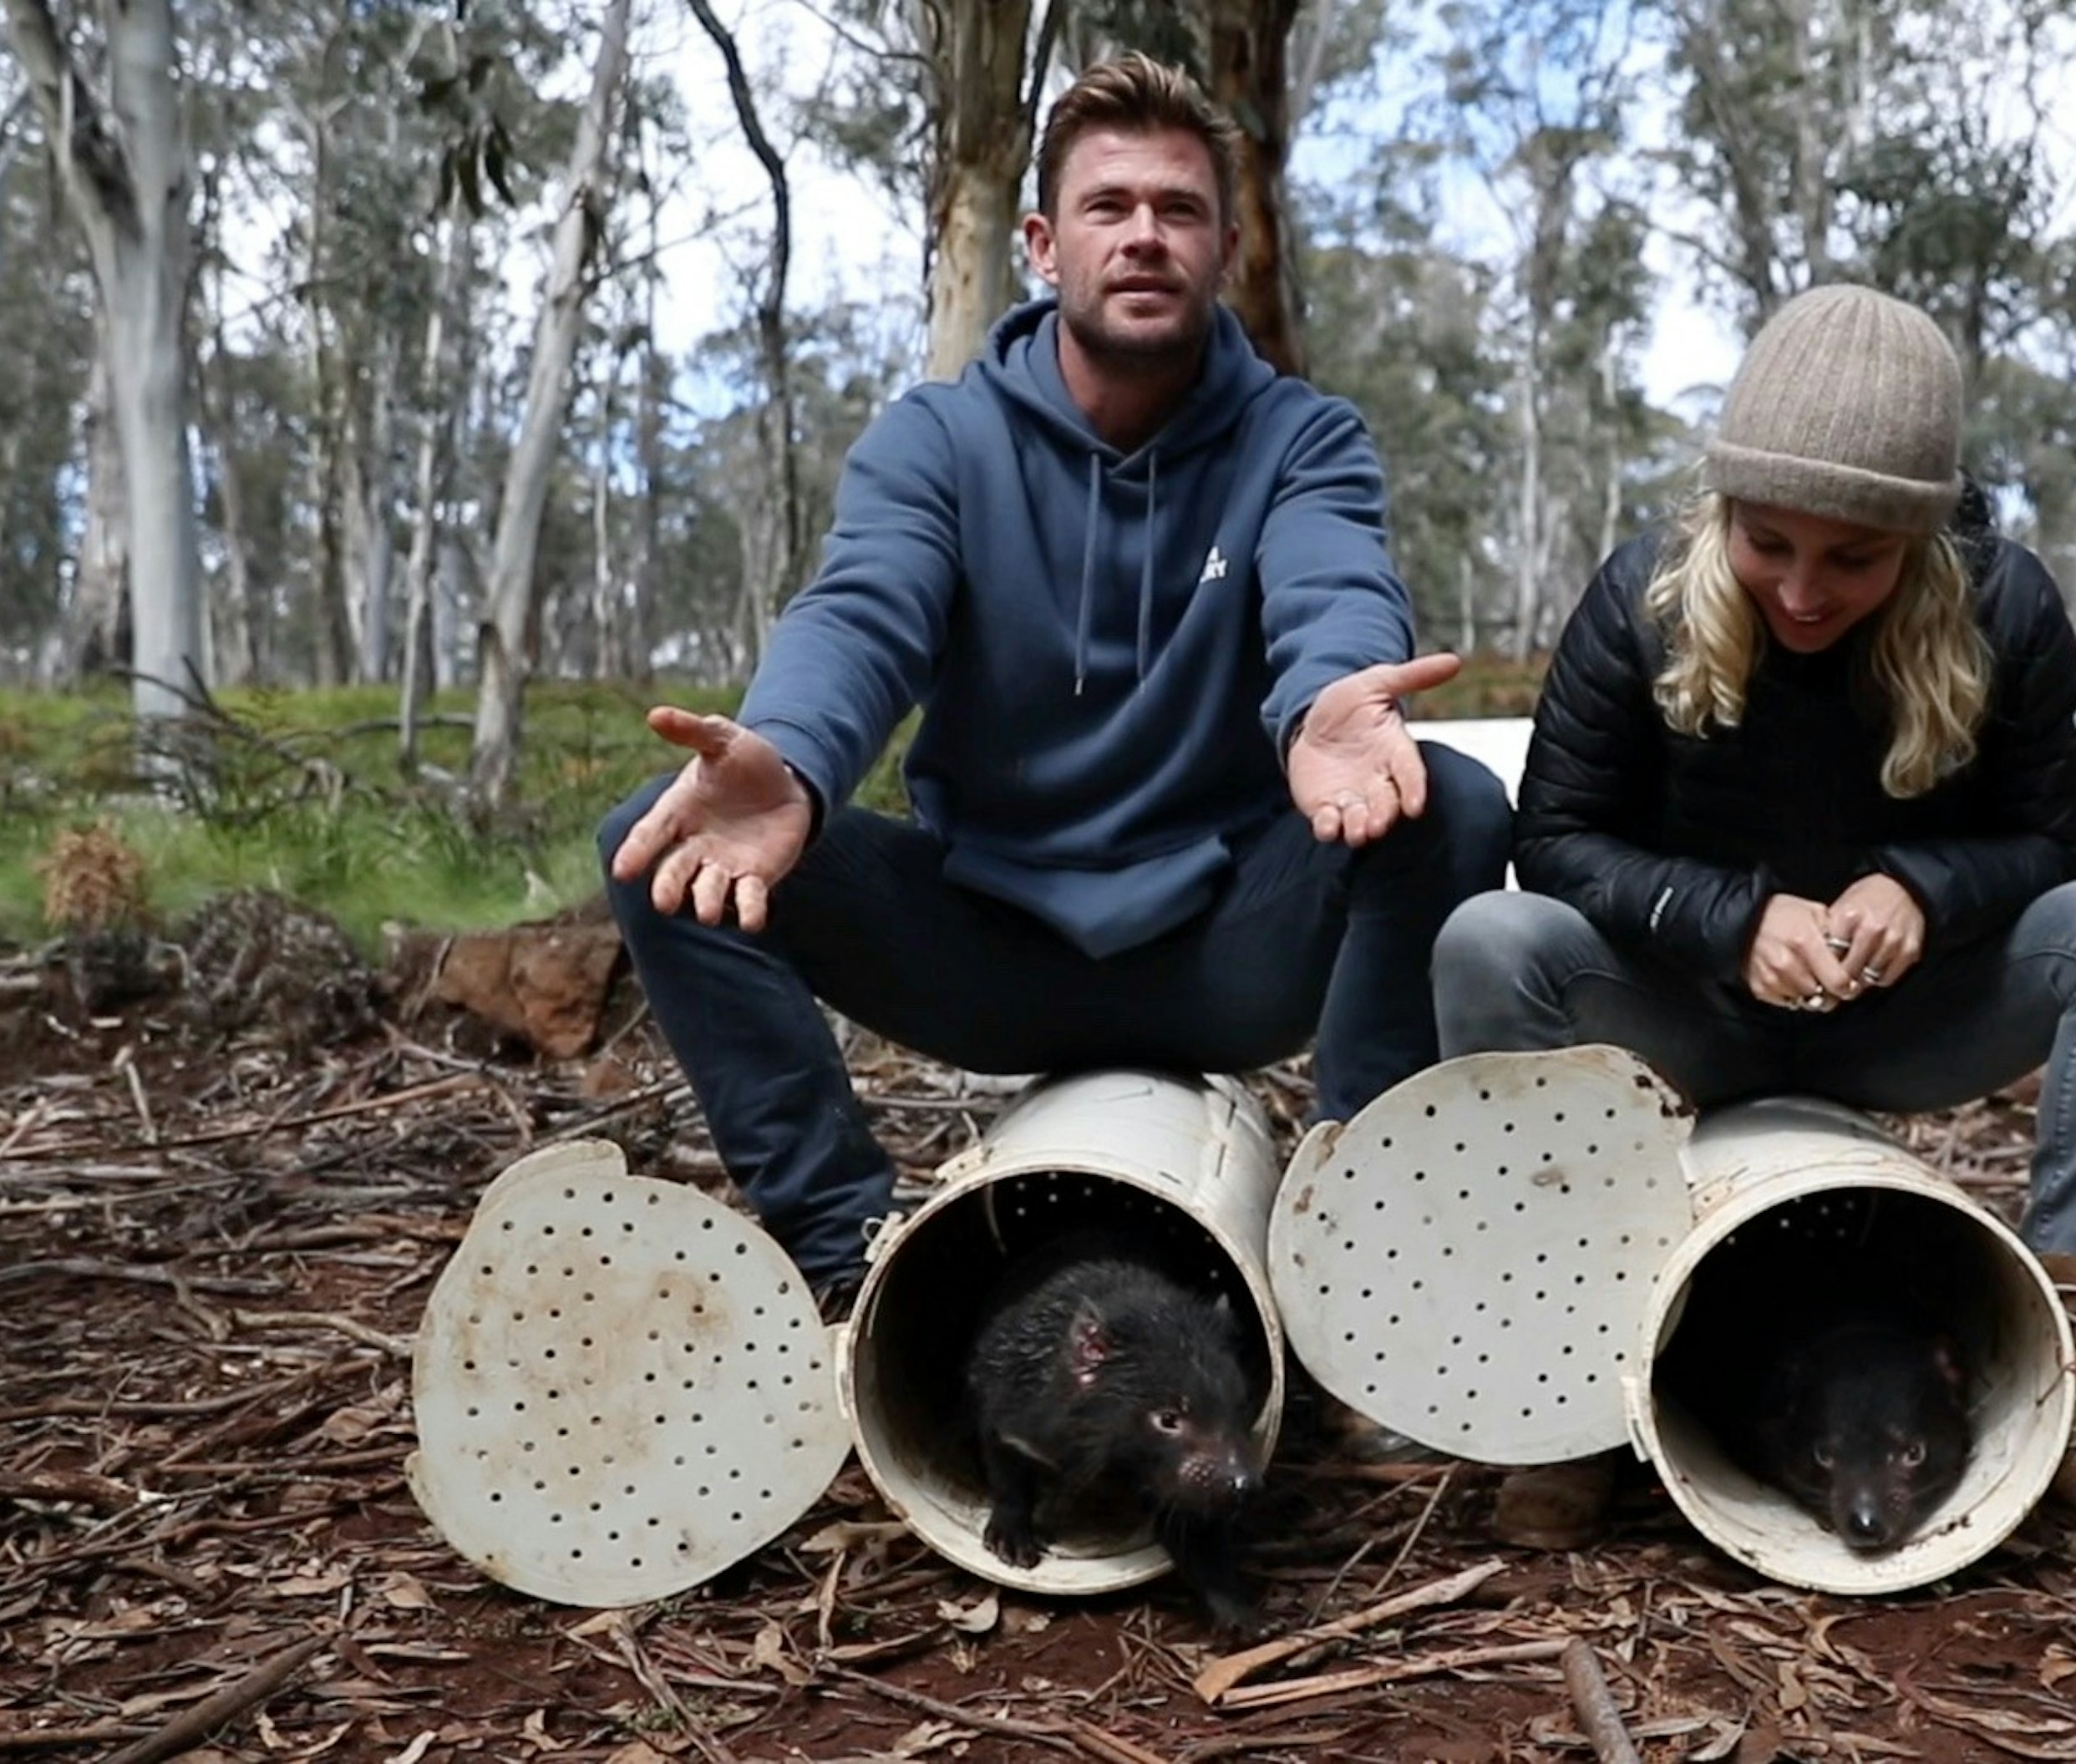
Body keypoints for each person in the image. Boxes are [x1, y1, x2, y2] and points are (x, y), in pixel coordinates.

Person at [599, 53, 1510, 1316]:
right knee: (664, 843)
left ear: (1228, 246)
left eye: (1180, 210)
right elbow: (865, 610)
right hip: (989, 944)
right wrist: (794, 756)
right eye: (1109, 206)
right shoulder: (939, 440)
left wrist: (1326, 705)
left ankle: (1354, 1262)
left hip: (1222, 942)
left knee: (1450, 805)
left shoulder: (1302, 439)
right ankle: (855, 1271)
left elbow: (1331, 588)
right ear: (1042, 241)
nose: (1145, 236)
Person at [1431, 285, 2076, 1538]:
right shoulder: (1641, 598)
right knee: (1490, 940)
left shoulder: (2006, 607)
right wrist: (1730, 918)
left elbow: (2051, 841)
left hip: (1905, 1019)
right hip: (1686, 1012)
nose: (1801, 591)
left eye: (1853, 558)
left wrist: (1925, 888)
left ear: (1927, 537)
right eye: (1768, 544)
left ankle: (2058, 1359)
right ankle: (1567, 1379)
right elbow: (1554, 840)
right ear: (1722, 510)